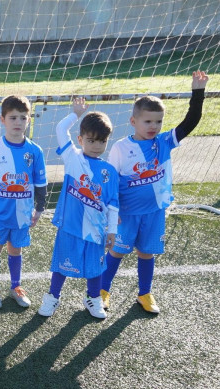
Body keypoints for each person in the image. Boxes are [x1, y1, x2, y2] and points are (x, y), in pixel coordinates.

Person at [100, 71, 209, 314]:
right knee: (117, 251)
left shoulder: (164, 142)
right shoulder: (121, 148)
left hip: (155, 211)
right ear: (133, 122)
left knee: (147, 253)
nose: (154, 126)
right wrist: (111, 210)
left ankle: (145, 293)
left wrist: (198, 92)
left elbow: (191, 121)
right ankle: (102, 291)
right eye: (148, 121)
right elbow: (110, 181)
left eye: (158, 122)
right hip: (127, 213)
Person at [37, 98, 119, 319]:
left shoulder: (109, 171)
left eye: (101, 141)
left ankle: (93, 298)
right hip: (70, 227)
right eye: (91, 140)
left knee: (95, 269)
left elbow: (113, 205)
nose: (96, 146)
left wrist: (112, 231)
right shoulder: (72, 158)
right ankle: (52, 297)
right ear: (81, 139)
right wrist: (76, 114)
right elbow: (60, 128)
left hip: (96, 231)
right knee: (61, 266)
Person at [0, 95, 47, 309]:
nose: (18, 122)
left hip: (23, 214)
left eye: (23, 118)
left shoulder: (35, 151)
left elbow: (40, 184)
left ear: (29, 120)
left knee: (15, 250)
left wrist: (39, 209)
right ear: (2, 119)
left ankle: (16, 286)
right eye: (13, 117)